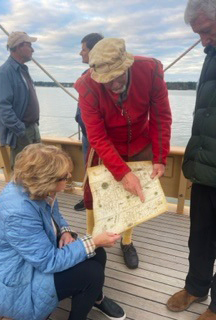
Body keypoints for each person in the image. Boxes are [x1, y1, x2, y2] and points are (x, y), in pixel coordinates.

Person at [0, 143, 126, 320]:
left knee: (98, 254)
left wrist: (65, 231)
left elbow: (53, 215)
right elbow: (48, 262)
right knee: (92, 274)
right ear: (47, 180)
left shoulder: (39, 191)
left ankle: (96, 298)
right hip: (19, 283)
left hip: (32, 261)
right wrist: (93, 241)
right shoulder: (18, 213)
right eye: (65, 177)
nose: (70, 177)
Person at [74, 38, 172, 269]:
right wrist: (121, 172)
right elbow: (96, 137)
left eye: (118, 76)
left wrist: (160, 157)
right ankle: (93, 241)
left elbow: (161, 117)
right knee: (92, 196)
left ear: (127, 65)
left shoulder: (150, 70)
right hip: (106, 147)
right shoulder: (86, 87)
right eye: (107, 80)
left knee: (133, 195)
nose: (113, 84)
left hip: (140, 142)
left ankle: (126, 242)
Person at [166, 1, 216, 319]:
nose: (202, 41)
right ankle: (196, 287)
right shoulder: (210, 56)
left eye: (206, 31)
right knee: (198, 236)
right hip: (204, 170)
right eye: (198, 34)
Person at [0, 31, 41, 169]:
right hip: (21, 131)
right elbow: (1, 107)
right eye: (29, 45)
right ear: (19, 47)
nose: (33, 49)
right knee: (22, 172)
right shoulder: (4, 73)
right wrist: (20, 130)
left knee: (37, 169)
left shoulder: (22, 70)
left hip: (32, 127)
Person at [74, 33, 104, 212]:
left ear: (94, 51)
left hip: (96, 136)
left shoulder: (102, 77)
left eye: (84, 49)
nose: (80, 53)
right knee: (89, 169)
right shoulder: (86, 76)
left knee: (98, 171)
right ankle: (89, 199)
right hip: (88, 134)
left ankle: (97, 203)